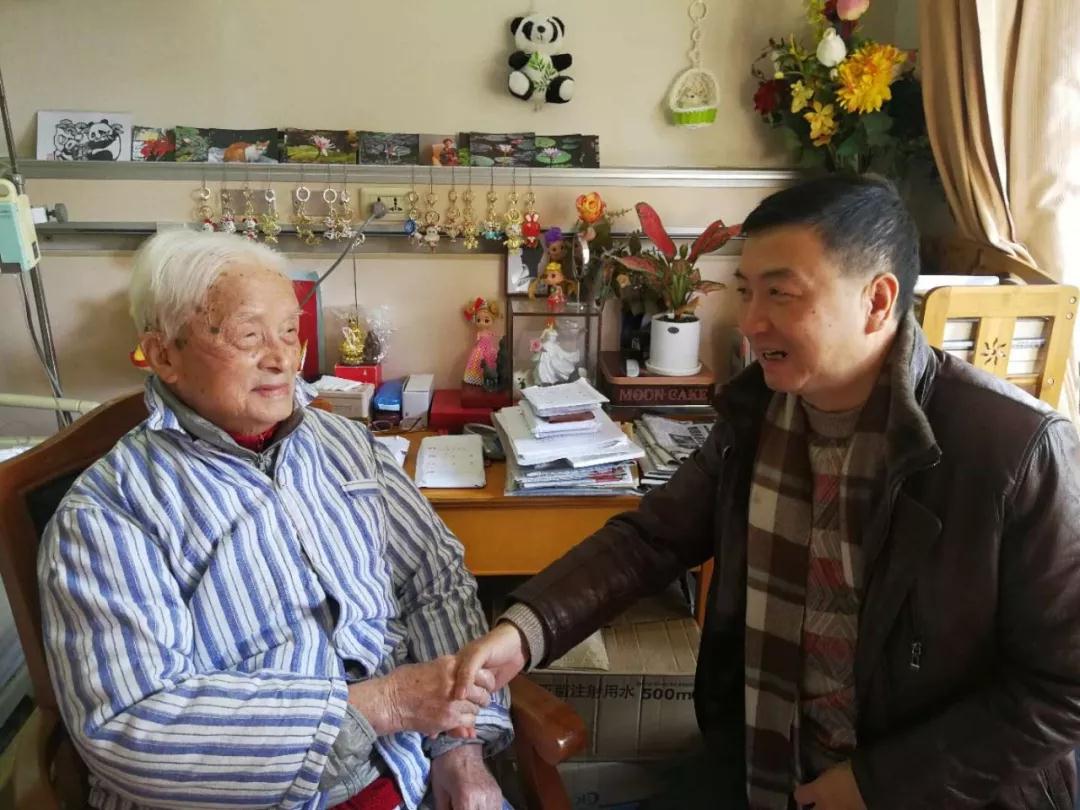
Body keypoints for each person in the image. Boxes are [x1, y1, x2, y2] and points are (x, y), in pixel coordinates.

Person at [455, 175, 1080, 809]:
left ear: (877, 300)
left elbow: (1063, 689)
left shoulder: (1015, 450)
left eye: (781, 293)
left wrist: (875, 786)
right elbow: (651, 540)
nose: (751, 322)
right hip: (766, 769)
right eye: (746, 291)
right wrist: (524, 631)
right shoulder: (756, 415)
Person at [39, 230, 509, 810]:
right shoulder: (106, 513)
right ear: (164, 355)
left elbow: (433, 579)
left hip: (410, 768)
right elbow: (133, 727)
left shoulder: (342, 444)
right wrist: (384, 704)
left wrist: (459, 749)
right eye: (249, 335)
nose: (282, 358)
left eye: (289, 331)